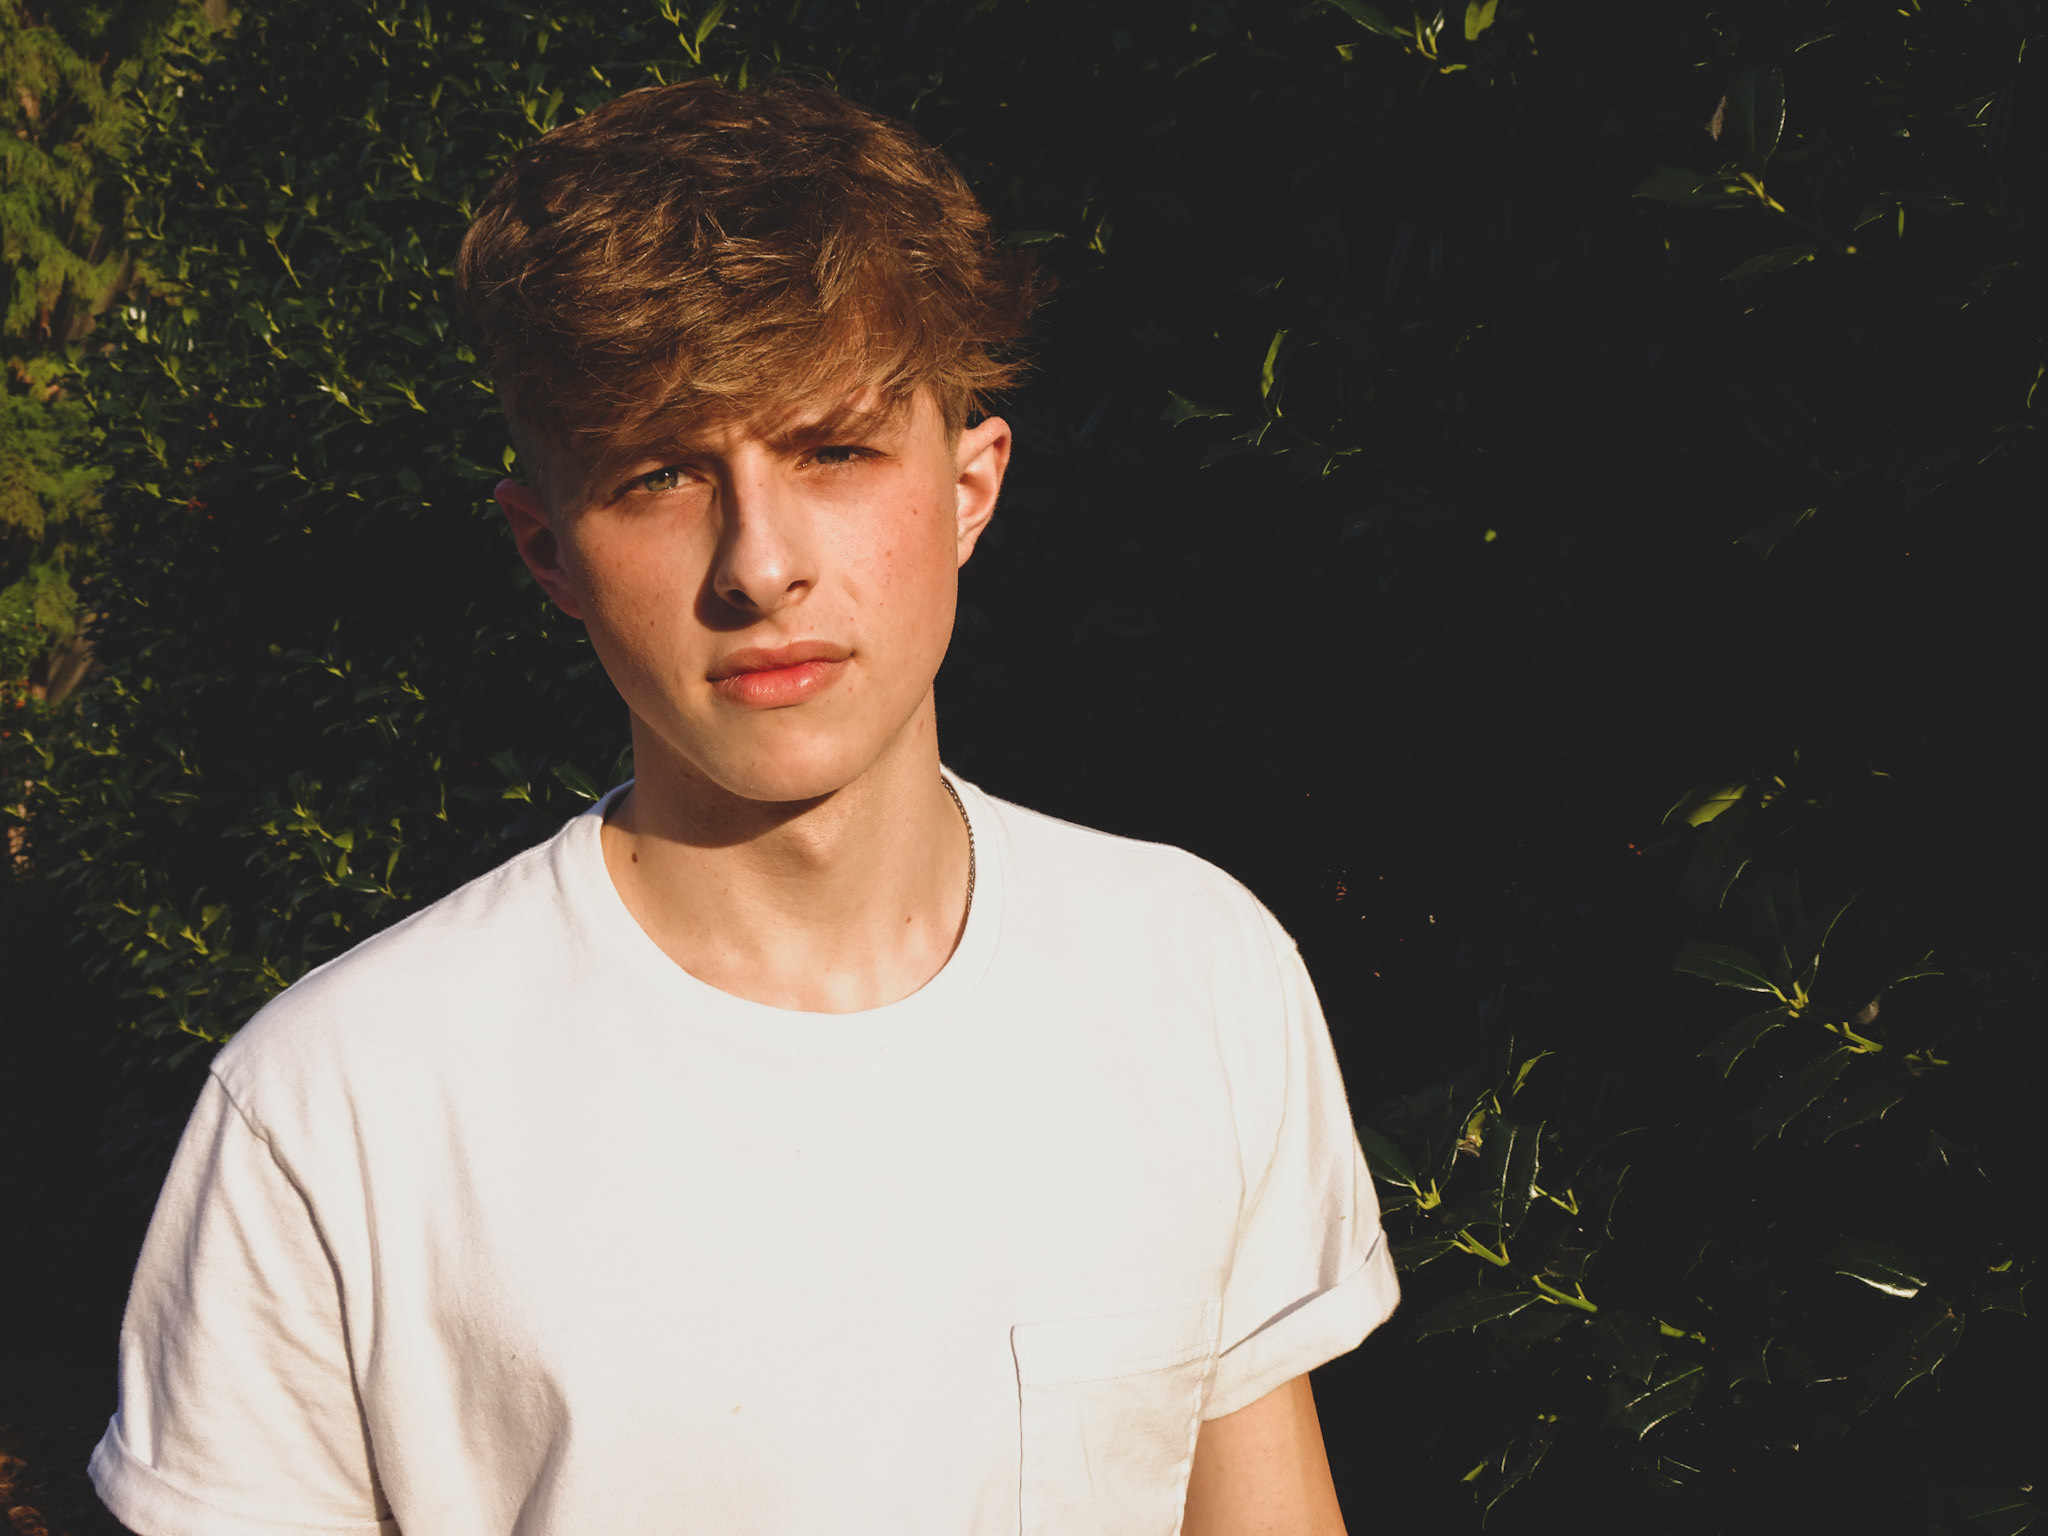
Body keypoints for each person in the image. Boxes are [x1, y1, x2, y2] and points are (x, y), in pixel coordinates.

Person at [88, 79, 1397, 1536]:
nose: (759, 564)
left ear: (970, 486)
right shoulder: (334, 1113)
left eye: (832, 450)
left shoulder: (1193, 976)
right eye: (660, 475)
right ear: (548, 554)